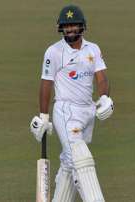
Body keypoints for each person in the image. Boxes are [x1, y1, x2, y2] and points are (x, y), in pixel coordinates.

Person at [30, 5, 114, 202]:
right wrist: (44, 116)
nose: (70, 29)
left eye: (73, 25)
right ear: (61, 28)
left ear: (82, 26)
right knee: (80, 158)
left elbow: (102, 78)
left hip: (88, 111)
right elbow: (46, 83)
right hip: (66, 111)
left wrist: (104, 98)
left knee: (69, 162)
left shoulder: (93, 49)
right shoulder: (54, 52)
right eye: (66, 26)